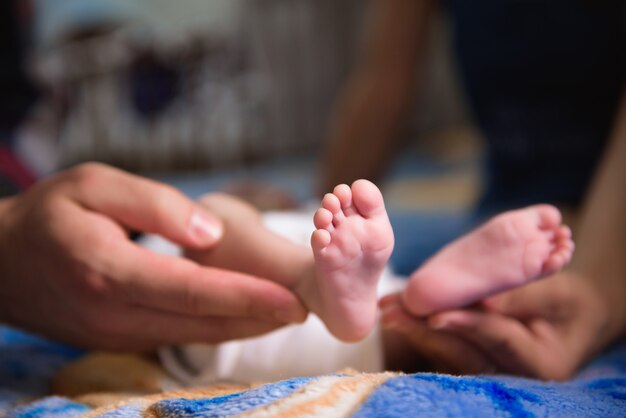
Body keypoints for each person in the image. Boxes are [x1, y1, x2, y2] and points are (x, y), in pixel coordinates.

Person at [319, 0, 626, 380]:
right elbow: (384, 82)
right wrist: (319, 216)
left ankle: (418, 299)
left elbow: (383, 79)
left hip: (603, 205)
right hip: (517, 197)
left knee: (390, 323)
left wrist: (600, 292)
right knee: (531, 252)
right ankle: (444, 291)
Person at [161, 179, 574, 384]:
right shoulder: (316, 230)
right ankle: (425, 294)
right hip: (354, 312)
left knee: (210, 216)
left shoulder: (331, 239)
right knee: (210, 219)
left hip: (256, 340)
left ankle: (424, 298)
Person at [0, 162, 309, 350]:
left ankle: (310, 277)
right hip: (209, 308)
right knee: (220, 216)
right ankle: (307, 276)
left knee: (222, 213)